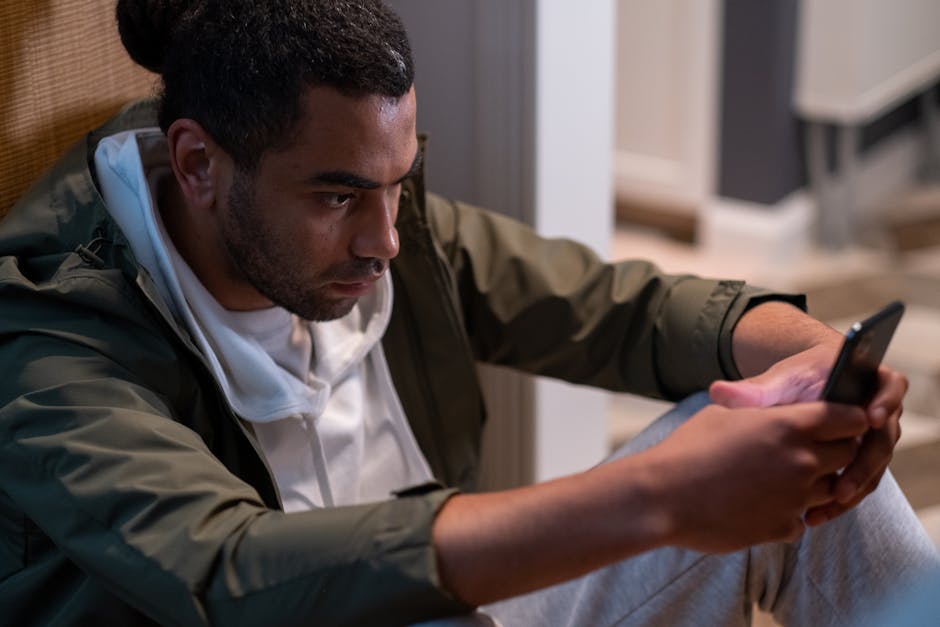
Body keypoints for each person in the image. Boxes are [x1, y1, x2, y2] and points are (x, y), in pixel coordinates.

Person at [0, 1, 936, 625]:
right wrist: (656, 499)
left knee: (794, 446)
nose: (386, 240)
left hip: (456, 610)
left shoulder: (376, 229)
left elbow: (627, 312)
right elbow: (226, 571)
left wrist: (819, 361)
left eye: (397, 185)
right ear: (198, 165)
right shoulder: (53, 341)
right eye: (338, 198)